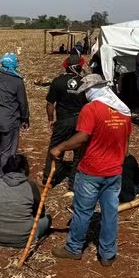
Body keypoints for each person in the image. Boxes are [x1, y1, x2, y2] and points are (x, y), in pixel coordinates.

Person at [51, 74, 132, 266]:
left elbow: (82, 137)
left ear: (92, 90)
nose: (85, 95)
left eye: (86, 91)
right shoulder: (123, 112)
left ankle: (74, 248)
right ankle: (107, 254)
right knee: (110, 213)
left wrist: (60, 147)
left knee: (82, 211)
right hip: (114, 171)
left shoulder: (91, 109)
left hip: (91, 170)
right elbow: (126, 148)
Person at [0, 53, 30, 186]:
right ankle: (3, 176)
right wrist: (25, 118)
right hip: (10, 121)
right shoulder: (17, 81)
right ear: (13, 64)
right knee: (8, 150)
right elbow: (22, 103)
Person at [0, 154, 51, 248]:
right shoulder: (30, 185)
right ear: (25, 169)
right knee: (47, 218)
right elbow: (40, 213)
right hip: (23, 240)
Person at [44, 53, 87, 189]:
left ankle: (48, 180)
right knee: (78, 153)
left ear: (66, 66)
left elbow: (50, 103)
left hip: (63, 121)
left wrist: (51, 119)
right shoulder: (85, 82)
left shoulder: (58, 81)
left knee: (55, 149)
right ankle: (73, 183)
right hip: (80, 121)